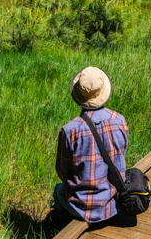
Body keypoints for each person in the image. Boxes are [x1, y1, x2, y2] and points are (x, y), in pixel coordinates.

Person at [54, 66, 128, 223]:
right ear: (103, 92)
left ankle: (59, 224)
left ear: (77, 94)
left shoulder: (69, 130)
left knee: (57, 191)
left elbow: (62, 172)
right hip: (113, 202)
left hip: (81, 207)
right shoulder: (119, 120)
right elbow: (122, 155)